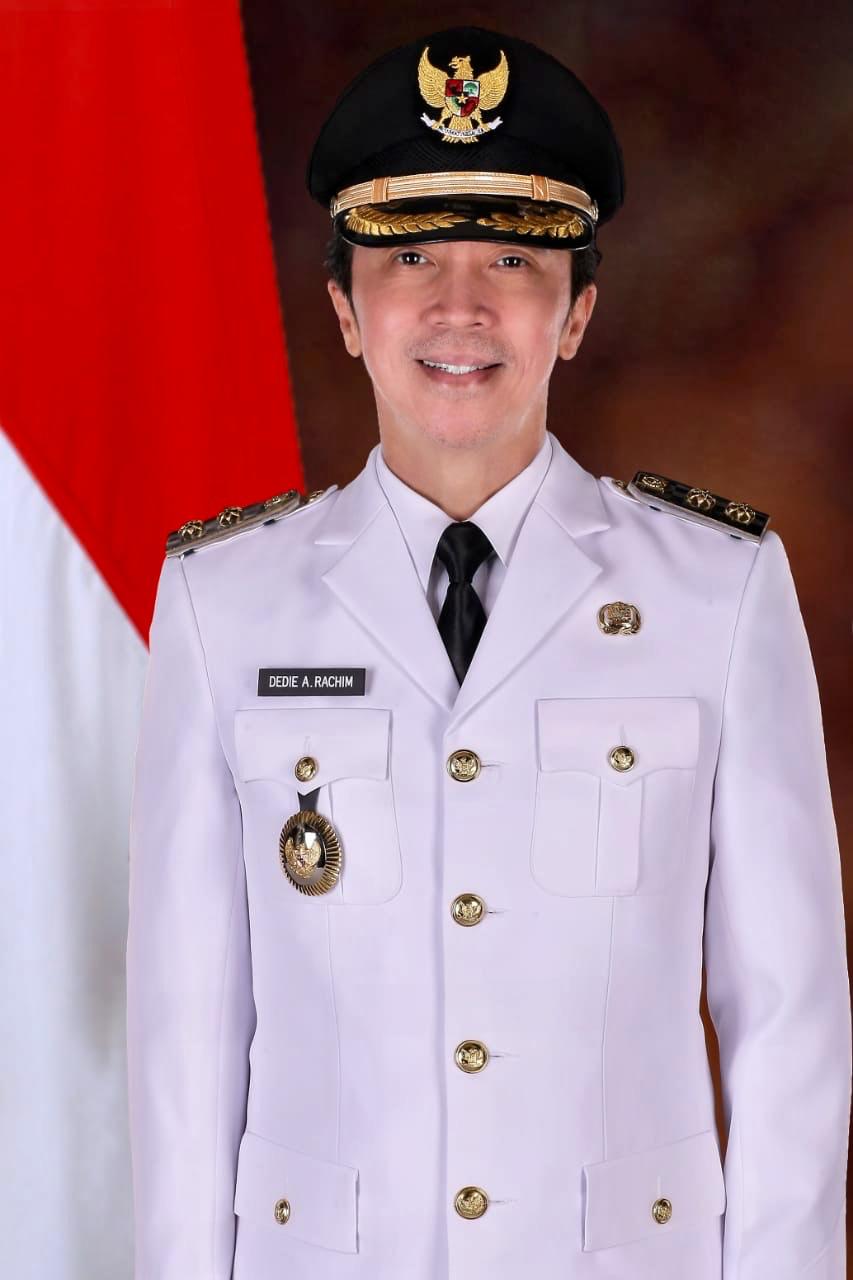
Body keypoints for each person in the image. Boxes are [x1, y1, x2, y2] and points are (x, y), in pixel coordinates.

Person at [125, 24, 851, 1280]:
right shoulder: (221, 604)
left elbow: (788, 1018)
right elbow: (186, 1035)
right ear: (345, 309)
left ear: (576, 313)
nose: (458, 305)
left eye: (512, 257)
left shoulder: (717, 593)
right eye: (409, 257)